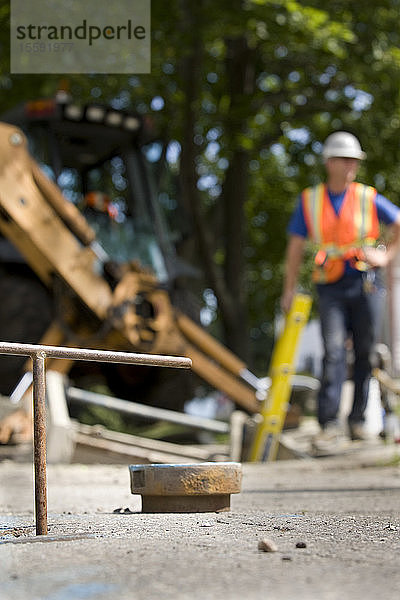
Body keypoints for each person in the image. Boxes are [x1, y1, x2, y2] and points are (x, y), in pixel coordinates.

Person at [281, 131, 400, 452]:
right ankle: (328, 424)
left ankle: (358, 421)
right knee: (333, 351)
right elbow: (295, 246)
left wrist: (386, 255)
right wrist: (288, 289)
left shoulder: (367, 196)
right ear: (329, 163)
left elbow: (398, 222)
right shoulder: (310, 200)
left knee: (365, 351)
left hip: (366, 284)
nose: (351, 166)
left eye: (355, 161)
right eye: (345, 160)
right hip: (330, 284)